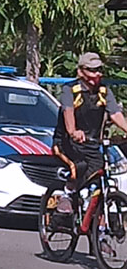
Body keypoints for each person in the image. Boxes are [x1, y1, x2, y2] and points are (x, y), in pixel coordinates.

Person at [54, 52, 127, 215]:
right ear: (81, 71)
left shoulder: (104, 91)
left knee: (103, 174)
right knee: (80, 166)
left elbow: (115, 114)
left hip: (92, 144)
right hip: (68, 143)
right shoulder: (70, 90)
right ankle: (67, 193)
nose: (97, 74)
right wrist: (73, 132)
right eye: (92, 70)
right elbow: (68, 112)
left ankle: (100, 232)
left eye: (100, 70)